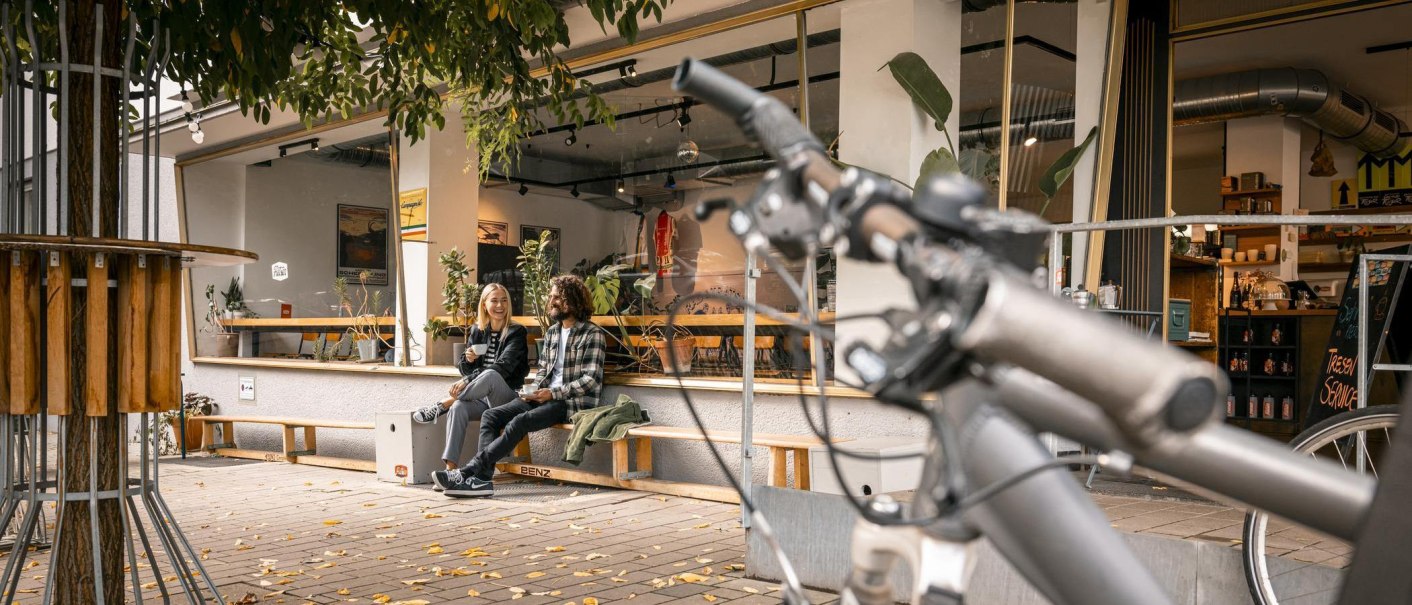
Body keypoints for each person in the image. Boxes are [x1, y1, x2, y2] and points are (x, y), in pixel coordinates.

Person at [433, 274, 605, 497]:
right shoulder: (552, 333)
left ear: (572, 300)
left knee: (519, 422)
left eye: (556, 297)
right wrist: (532, 392)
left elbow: (590, 380)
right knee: (491, 416)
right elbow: (543, 371)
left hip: (570, 403)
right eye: (551, 296)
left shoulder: (592, 333)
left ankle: (470, 472)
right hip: (543, 397)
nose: (551, 301)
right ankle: (482, 481)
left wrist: (552, 394)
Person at [412, 283, 529, 478]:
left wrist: (467, 381)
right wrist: (468, 359)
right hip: (482, 398)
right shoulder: (478, 330)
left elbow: (503, 367)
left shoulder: (517, 332)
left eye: (504, 300)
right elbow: (464, 369)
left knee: (490, 376)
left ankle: (444, 404)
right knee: (459, 408)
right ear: (484, 304)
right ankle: (451, 471)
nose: (500, 305)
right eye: (494, 300)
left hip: (507, 397)